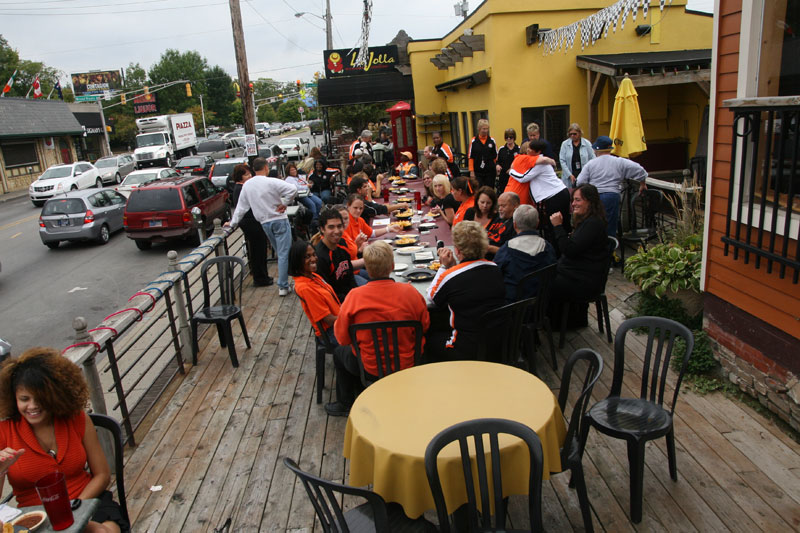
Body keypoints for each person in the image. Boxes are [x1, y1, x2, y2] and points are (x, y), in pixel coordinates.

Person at [0, 348, 130, 533]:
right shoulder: (4, 431)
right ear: (13, 399)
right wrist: (1, 470)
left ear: (55, 395)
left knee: (102, 532)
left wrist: (76, 509)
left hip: (88, 501)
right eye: (24, 399)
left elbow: (102, 475)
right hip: (36, 516)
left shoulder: (77, 418)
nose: (33, 406)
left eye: (41, 398)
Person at [325, 241, 430, 416]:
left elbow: (342, 339)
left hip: (370, 367)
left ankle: (346, 403)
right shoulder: (411, 293)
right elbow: (425, 326)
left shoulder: (354, 297)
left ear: (367, 267)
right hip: (408, 363)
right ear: (393, 266)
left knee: (339, 353)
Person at [427, 221, 505, 361]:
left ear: (457, 250)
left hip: (465, 348)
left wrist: (444, 267)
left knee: (429, 338)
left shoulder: (450, 275)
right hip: (496, 343)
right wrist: (453, 267)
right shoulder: (495, 268)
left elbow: (432, 298)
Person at [228, 157, 296, 296]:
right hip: (279, 219)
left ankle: (289, 279)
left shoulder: (247, 185)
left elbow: (241, 208)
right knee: (283, 254)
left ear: (254, 169)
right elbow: (292, 189)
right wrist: (285, 202)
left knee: (281, 252)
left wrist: (232, 223)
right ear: (266, 167)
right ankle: (283, 285)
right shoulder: (270, 181)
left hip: (264, 222)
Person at [549, 184, 609, 327]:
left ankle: (556, 323)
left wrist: (558, 227)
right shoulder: (587, 221)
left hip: (585, 281)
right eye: (573, 200)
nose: (573, 204)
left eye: (578, 200)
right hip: (578, 274)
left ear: (590, 201)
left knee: (543, 284)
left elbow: (569, 250)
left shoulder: (593, 224)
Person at [577, 135, 648, 238]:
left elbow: (580, 182)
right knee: (610, 225)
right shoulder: (619, 161)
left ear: (596, 149)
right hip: (612, 196)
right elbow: (640, 170)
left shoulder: (591, 164)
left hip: (595, 197)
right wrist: (642, 184)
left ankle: (596, 246)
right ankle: (610, 246)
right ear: (610, 148)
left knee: (595, 224)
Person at [511, 140, 572, 247]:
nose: (528, 150)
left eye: (530, 149)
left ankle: (559, 250)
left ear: (538, 151)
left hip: (555, 196)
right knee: (561, 223)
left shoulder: (540, 164)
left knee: (555, 224)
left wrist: (511, 171)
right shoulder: (540, 161)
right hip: (558, 194)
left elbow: (523, 178)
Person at [494, 204, 557, 303]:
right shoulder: (547, 248)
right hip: (541, 305)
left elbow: (495, 274)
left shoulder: (507, 249)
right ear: (537, 223)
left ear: (514, 225)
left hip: (510, 306)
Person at [290, 239, 341, 348]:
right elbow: (329, 320)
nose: (313, 259)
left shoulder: (313, 276)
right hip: (331, 333)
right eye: (307, 257)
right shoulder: (305, 288)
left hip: (337, 322)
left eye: (314, 254)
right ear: (297, 261)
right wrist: (350, 317)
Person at [231, 164, 272, 287]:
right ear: (240, 177)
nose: (249, 176)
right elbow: (242, 208)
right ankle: (260, 278)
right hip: (250, 222)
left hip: (253, 221)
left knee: (260, 250)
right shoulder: (240, 189)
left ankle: (263, 276)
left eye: (250, 173)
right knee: (257, 251)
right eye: (246, 174)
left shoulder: (243, 187)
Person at [314, 207, 357, 301]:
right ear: (322, 229)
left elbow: (350, 276)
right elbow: (327, 293)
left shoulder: (342, 244)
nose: (337, 231)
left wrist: (356, 295)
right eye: (331, 227)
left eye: (339, 226)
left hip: (350, 296)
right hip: (336, 304)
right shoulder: (319, 257)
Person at [559, 123, 596, 188]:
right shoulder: (565, 144)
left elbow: (592, 158)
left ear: (579, 133)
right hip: (570, 174)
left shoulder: (587, 143)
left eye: (575, 134)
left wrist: (588, 173)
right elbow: (562, 161)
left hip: (583, 173)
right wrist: (569, 175)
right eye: (571, 134)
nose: (572, 136)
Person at [486, 191, 520, 258]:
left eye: (503, 206)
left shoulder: (517, 224)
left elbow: (511, 253)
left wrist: (489, 248)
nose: (500, 209)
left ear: (515, 206)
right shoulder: (498, 217)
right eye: (499, 206)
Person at [468, 119, 499, 190]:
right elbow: (470, 157)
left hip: (490, 172)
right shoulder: (474, 141)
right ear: (479, 129)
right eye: (483, 129)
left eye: (487, 129)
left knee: (489, 190)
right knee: (479, 190)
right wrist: (471, 171)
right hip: (478, 172)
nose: (485, 131)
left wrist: (495, 167)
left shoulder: (492, 141)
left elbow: (495, 156)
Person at [496, 128, 520, 193]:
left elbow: (520, 163)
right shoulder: (501, 149)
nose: (508, 139)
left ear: (514, 138)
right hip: (503, 177)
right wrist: (497, 165)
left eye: (510, 137)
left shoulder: (518, 149)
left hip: (514, 176)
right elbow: (497, 161)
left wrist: (512, 169)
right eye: (507, 137)